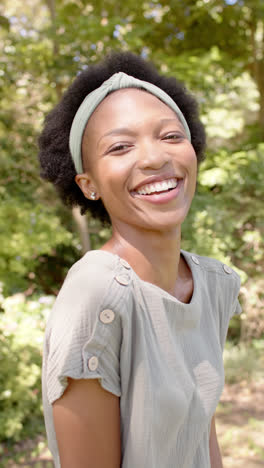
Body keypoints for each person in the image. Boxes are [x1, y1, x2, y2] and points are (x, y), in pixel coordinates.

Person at [38, 51, 241, 468]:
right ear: (88, 183)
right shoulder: (98, 295)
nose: (153, 158)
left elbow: (201, 435)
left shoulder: (212, 284)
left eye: (169, 136)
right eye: (120, 146)